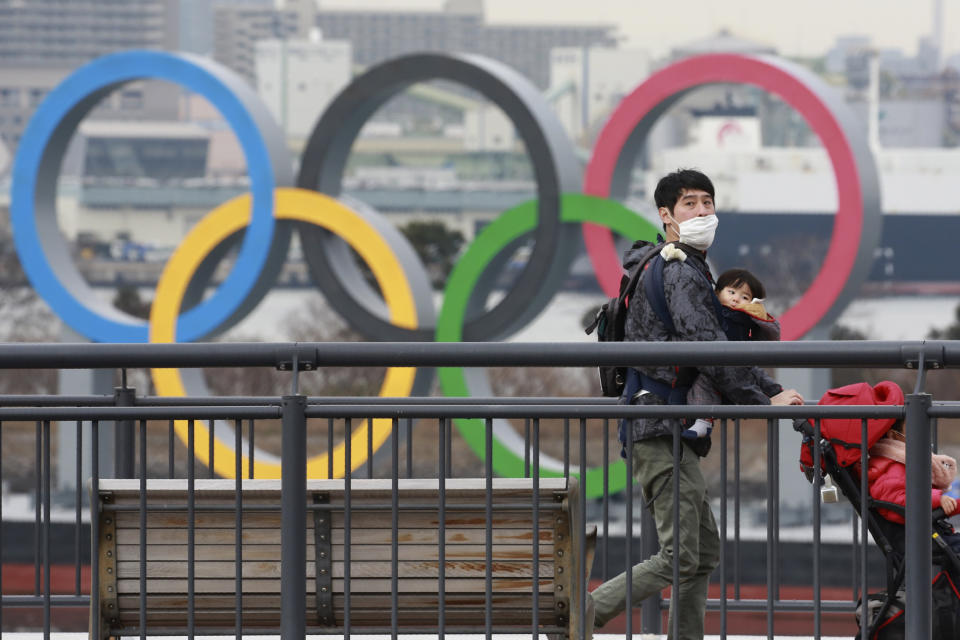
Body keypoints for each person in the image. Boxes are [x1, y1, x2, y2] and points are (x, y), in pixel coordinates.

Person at [588, 169, 803, 640]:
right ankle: (582, 614)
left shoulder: (664, 265)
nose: (703, 212)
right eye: (690, 204)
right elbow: (710, 350)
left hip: (663, 423)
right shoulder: (681, 271)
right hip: (658, 424)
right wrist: (765, 398)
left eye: (708, 202)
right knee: (682, 554)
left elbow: (714, 349)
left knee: (701, 551)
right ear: (666, 215)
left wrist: (767, 391)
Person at [683, 268, 780, 439]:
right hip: (719, 363)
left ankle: (777, 392)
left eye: (745, 297)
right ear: (717, 292)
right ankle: (703, 421)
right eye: (731, 292)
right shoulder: (712, 312)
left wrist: (758, 314)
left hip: (741, 362)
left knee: (758, 377)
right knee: (703, 384)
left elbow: (772, 336)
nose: (736, 299)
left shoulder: (748, 317)